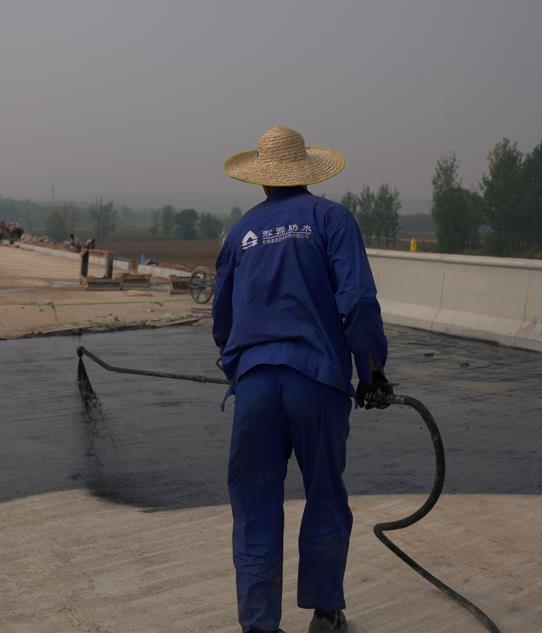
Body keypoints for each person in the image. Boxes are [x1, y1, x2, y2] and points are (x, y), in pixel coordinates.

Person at [213, 126, 393, 633]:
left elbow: (222, 319)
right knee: (325, 496)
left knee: (255, 505)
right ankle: (326, 614)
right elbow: (358, 301)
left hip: (255, 385)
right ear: (307, 172)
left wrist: (239, 368)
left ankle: (259, 625)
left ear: (262, 178)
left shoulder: (241, 232)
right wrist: (371, 371)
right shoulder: (331, 219)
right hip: (316, 381)